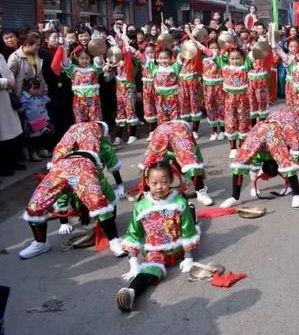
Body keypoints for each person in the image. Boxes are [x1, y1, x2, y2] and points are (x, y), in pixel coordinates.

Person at [117, 161, 199, 312]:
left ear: (171, 181)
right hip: (155, 251)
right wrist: (133, 261)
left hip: (178, 247)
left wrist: (188, 257)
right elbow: (134, 233)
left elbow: (187, 230)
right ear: (147, 182)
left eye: (164, 182)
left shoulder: (179, 202)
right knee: (149, 270)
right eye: (154, 183)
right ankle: (131, 292)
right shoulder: (141, 206)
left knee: (192, 221)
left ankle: (193, 211)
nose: (159, 187)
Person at [19, 148, 125, 259]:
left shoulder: (97, 180)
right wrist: (64, 223)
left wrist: (109, 226)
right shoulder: (64, 187)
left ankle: (114, 241)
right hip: (63, 167)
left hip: (84, 166)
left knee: (99, 202)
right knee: (34, 207)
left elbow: (110, 202)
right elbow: (61, 203)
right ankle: (41, 243)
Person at [224, 116, 299, 209]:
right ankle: (234, 197)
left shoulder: (276, 145)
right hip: (262, 132)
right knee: (240, 162)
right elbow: (287, 166)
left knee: (287, 162)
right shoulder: (261, 149)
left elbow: (288, 166)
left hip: (274, 130)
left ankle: (296, 195)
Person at [139, 120, 212, 206]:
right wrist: (147, 189)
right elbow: (148, 163)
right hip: (162, 134)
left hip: (179, 134)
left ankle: (200, 190)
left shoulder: (183, 137)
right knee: (152, 163)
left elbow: (193, 161)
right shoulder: (159, 138)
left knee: (191, 162)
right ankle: (148, 193)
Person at [0, 53, 24, 177]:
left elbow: (8, 72)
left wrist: (11, 81)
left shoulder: (1, 56)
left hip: (7, 97)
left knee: (13, 133)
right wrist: (5, 82)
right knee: (3, 136)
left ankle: (12, 161)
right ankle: (4, 166)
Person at [19, 78, 52, 161]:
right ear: (28, 88)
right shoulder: (25, 99)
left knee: (41, 137)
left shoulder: (38, 96)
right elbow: (21, 109)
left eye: (37, 89)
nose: (36, 91)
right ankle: (33, 153)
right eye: (34, 89)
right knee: (33, 139)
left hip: (42, 121)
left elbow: (46, 100)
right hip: (32, 123)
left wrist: (43, 92)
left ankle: (40, 151)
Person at [7, 32, 46, 97]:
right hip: (22, 96)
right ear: (28, 45)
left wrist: (44, 87)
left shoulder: (35, 55)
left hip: (35, 94)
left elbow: (39, 73)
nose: (38, 47)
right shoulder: (15, 57)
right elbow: (10, 78)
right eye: (37, 45)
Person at [201, 39, 225, 140]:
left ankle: (223, 130)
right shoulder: (204, 61)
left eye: (216, 48)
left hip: (219, 87)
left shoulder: (220, 60)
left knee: (221, 107)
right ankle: (213, 130)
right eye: (211, 48)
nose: (213, 50)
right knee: (210, 108)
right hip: (208, 87)